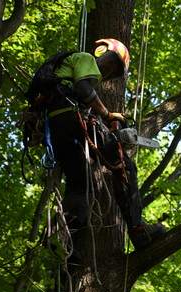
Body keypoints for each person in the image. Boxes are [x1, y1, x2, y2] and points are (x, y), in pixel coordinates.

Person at [27, 38, 164, 249]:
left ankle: (59, 236)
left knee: (80, 187)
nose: (108, 72)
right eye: (112, 64)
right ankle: (138, 230)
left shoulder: (62, 74)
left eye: (114, 71)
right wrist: (108, 115)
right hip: (71, 117)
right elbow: (83, 88)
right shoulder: (85, 58)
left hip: (57, 129)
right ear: (103, 53)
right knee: (124, 164)